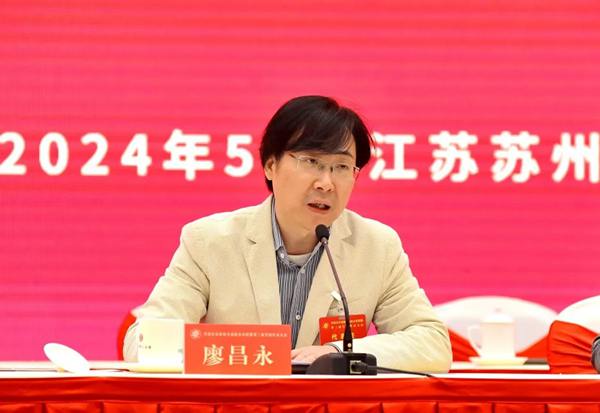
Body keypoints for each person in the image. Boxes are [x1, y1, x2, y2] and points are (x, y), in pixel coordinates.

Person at [123, 95, 452, 372]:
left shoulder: (377, 246)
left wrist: (337, 353)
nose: (326, 182)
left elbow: (432, 342)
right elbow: (143, 342)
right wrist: (247, 354)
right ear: (270, 165)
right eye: (311, 161)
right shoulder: (209, 241)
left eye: (341, 167)